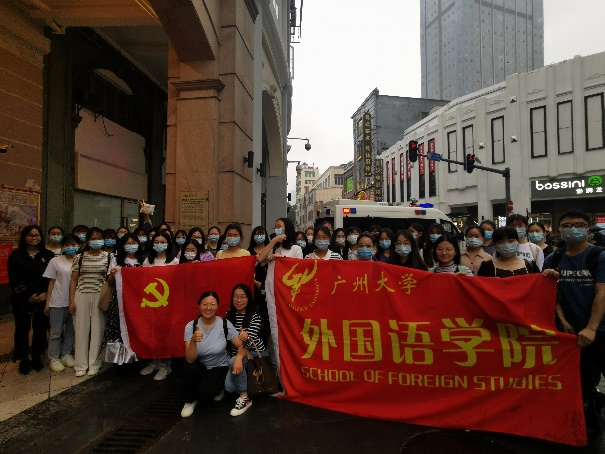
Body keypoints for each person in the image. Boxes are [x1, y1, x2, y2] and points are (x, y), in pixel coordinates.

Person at [543, 209, 605, 425]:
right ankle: (588, 421)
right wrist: (563, 321)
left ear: (587, 229)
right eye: (567, 226)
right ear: (559, 230)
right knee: (582, 380)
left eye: (579, 225)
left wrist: (592, 328)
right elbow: (552, 296)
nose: (573, 229)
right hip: (572, 333)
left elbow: (602, 293)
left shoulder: (599, 256)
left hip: (599, 329)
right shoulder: (553, 259)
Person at [181, 291, 243, 418]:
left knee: (206, 393)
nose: (208, 308)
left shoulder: (225, 324)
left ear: (218, 306)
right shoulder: (191, 326)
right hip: (200, 366)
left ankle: (216, 388)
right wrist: (193, 341)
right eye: (205, 304)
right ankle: (190, 401)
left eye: (212, 304)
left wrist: (238, 358)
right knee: (188, 368)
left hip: (219, 366)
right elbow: (190, 359)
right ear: (199, 306)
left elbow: (241, 346)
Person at [257, 218, 303, 373]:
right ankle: (280, 371)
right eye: (275, 226)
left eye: (280, 226)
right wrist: (273, 242)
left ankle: (293, 368)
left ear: (287, 229)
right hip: (272, 292)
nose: (277, 229)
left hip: (288, 294)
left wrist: (281, 259)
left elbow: (299, 268)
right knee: (276, 330)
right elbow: (260, 259)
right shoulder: (274, 247)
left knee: (289, 329)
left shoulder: (296, 248)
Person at [8, 225, 55, 375]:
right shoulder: (16, 255)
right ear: (24, 237)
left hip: (43, 297)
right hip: (22, 298)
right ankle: (23, 358)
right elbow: (14, 279)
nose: (34, 238)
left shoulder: (48, 255)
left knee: (40, 328)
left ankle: (36, 356)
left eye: (37, 235)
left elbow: (52, 277)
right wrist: (28, 296)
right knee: (22, 329)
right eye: (30, 235)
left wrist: (45, 294)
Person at [69, 227, 110, 377]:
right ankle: (80, 365)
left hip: (100, 295)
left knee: (98, 330)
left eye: (99, 238)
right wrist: (71, 300)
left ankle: (94, 363)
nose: (96, 241)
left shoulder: (109, 257)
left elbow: (109, 279)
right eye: (93, 239)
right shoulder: (79, 257)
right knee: (81, 330)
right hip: (82, 294)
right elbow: (74, 280)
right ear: (87, 241)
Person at [140, 230, 179, 380]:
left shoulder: (174, 261)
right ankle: (154, 361)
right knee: (152, 332)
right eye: (156, 242)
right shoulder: (148, 261)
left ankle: (166, 365)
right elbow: (142, 279)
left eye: (163, 242)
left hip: (168, 304)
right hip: (151, 303)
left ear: (168, 244)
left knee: (166, 333)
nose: (159, 244)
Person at [224, 284, 267, 416]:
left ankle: (245, 398)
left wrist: (246, 337)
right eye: (236, 297)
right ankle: (247, 381)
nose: (239, 300)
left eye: (243, 297)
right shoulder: (228, 314)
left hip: (256, 354)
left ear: (249, 299)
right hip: (237, 355)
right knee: (229, 388)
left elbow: (249, 342)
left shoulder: (255, 315)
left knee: (233, 362)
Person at [103, 233, 144, 371]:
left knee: (136, 328)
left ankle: (137, 359)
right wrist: (113, 275)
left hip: (138, 301)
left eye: (134, 243)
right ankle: (118, 361)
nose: (131, 246)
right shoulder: (116, 260)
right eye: (128, 243)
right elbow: (110, 282)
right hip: (120, 300)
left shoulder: (143, 260)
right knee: (119, 329)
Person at [43, 234, 80, 372]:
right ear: (63, 247)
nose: (70, 247)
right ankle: (53, 357)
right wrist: (47, 303)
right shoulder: (55, 261)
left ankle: (66, 354)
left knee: (71, 330)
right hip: (58, 301)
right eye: (67, 245)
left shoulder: (81, 259)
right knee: (56, 332)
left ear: (79, 245)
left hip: (76, 301)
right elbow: (51, 282)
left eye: (73, 244)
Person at [248, 226, 270, 339]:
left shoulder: (271, 251)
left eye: (261, 233)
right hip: (253, 288)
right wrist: (256, 282)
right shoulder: (249, 252)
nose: (259, 236)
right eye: (256, 234)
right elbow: (246, 271)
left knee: (267, 318)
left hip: (269, 288)